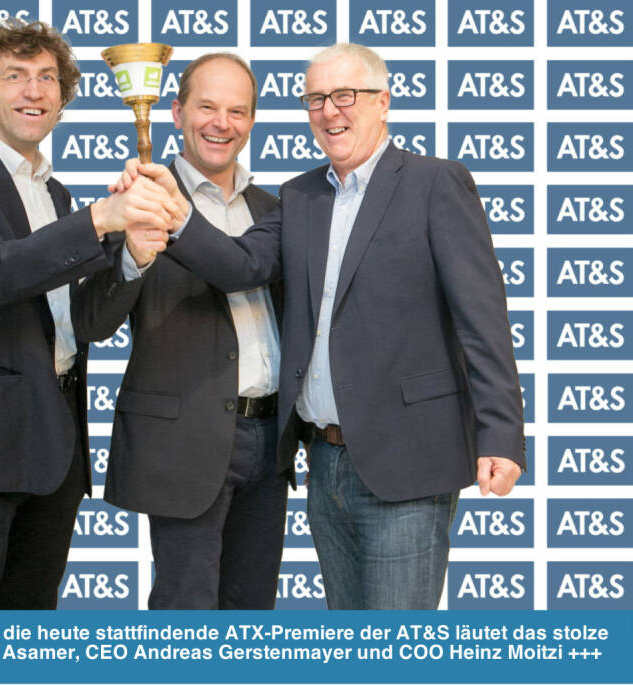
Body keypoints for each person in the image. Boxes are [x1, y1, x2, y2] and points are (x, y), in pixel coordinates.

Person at [131, 42, 525, 609]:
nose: (330, 111)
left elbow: (482, 318)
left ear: (383, 102)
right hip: (324, 462)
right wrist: (176, 212)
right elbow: (240, 266)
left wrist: (501, 435)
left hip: (410, 459)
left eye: (346, 95)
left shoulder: (436, 183)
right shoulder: (299, 196)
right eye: (315, 99)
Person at [0, 19, 176, 610]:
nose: (34, 91)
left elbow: (85, 325)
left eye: (48, 78)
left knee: (33, 629)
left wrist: (130, 256)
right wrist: (101, 219)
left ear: (62, 97)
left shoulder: (56, 196)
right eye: (15, 76)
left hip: (58, 443)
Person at [72, 54, 289, 609]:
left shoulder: (276, 208)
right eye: (207, 107)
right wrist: (133, 258)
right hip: (184, 441)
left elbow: (269, 291)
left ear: (252, 121)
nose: (222, 123)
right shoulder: (137, 199)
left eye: (237, 111)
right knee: (185, 615)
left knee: (253, 615)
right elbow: (91, 321)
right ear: (176, 112)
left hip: (269, 443)